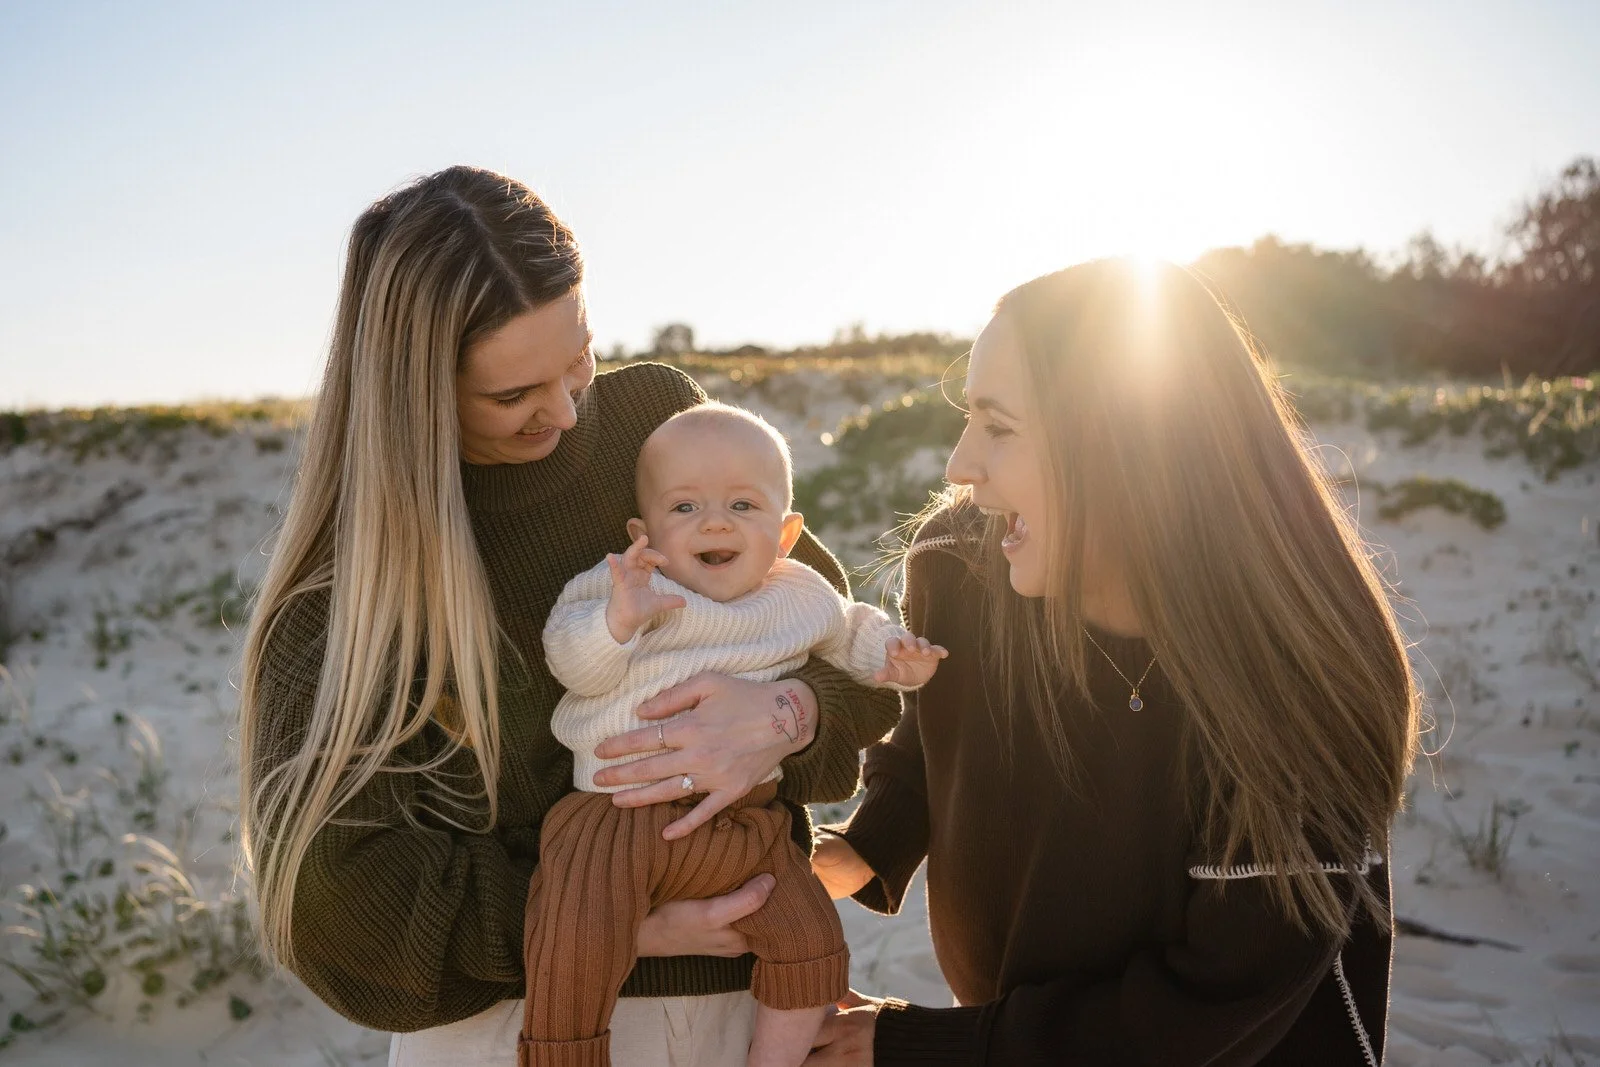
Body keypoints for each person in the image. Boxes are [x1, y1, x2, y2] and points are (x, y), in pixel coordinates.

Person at [235, 166, 901, 1067]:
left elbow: (842, 655)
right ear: (414, 390)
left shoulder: (653, 424)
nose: (565, 408)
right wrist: (610, 918)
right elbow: (337, 916)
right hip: (512, 1028)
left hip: (753, 1014)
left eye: (578, 354)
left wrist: (788, 716)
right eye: (512, 396)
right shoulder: (348, 592)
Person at [807, 259, 1419, 1066]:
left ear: (1120, 445)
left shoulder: (1302, 670)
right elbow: (935, 739)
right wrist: (862, 848)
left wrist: (925, 1047)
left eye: (998, 426)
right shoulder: (961, 564)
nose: (959, 466)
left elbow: (1214, 1002)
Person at [522, 404, 945, 1067]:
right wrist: (616, 620)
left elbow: (851, 631)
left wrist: (894, 654)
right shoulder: (626, 586)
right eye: (684, 507)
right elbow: (568, 660)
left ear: (785, 534)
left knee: (810, 937)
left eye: (742, 505)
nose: (715, 521)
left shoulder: (798, 593)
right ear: (644, 530)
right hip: (614, 818)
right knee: (575, 939)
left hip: (745, 823)